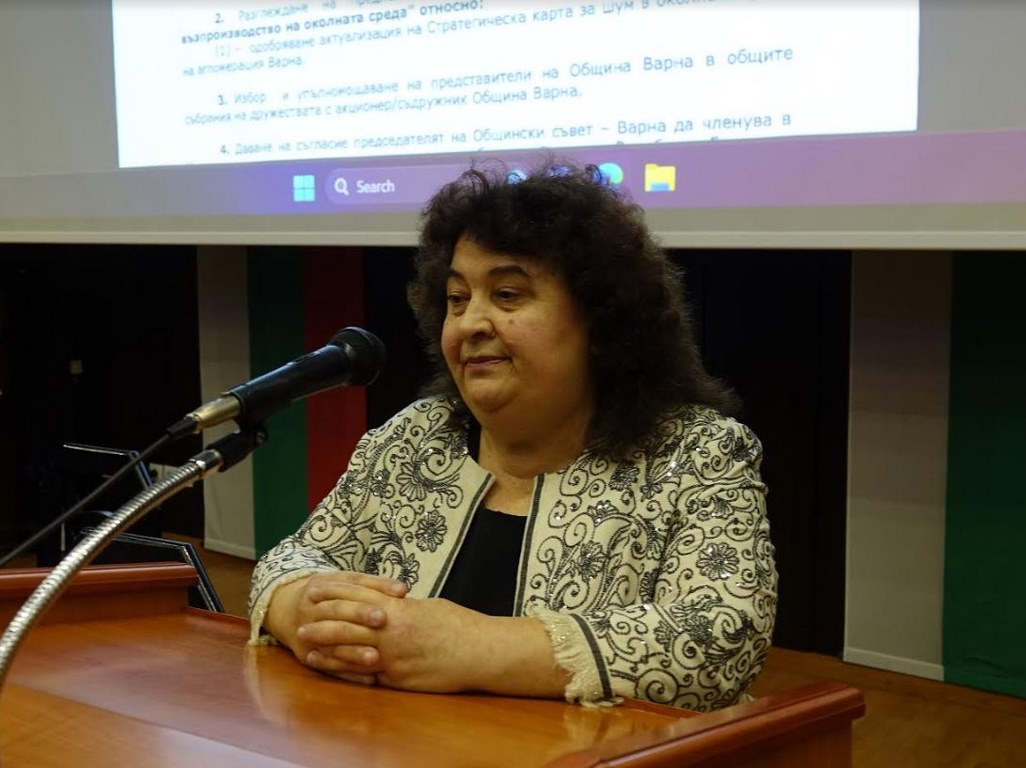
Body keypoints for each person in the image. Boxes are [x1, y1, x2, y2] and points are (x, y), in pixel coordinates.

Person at [248, 159, 777, 712]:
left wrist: (476, 647)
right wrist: (302, 608)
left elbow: (720, 638)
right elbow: (296, 557)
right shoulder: (416, 438)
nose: (470, 323)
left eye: (506, 295)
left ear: (600, 321)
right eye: (457, 299)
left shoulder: (696, 452)